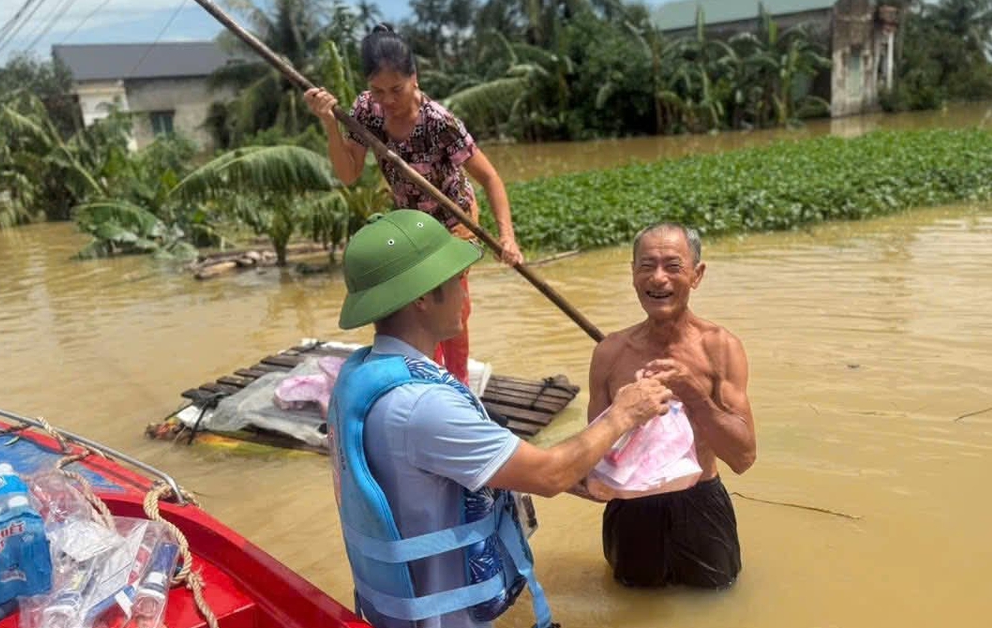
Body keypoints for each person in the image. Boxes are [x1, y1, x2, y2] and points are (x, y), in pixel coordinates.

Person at [326, 210, 672, 628]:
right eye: (456, 281)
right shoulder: (423, 404)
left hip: (396, 610)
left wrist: (563, 471)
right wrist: (624, 413)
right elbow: (548, 476)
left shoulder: (362, 374)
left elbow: (444, 469)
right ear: (421, 296)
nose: (464, 295)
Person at [305, 23, 522, 385]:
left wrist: (507, 237)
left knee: (450, 310)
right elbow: (349, 173)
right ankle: (425, 380)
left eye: (396, 89)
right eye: (378, 90)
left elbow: (491, 179)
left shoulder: (440, 123)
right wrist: (329, 122)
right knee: (414, 309)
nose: (387, 100)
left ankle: (457, 386)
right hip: (411, 226)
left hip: (454, 220)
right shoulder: (366, 111)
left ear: (414, 78)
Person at [586, 222, 757, 590]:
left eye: (673, 266)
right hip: (631, 506)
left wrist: (693, 395)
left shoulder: (720, 347)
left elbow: (743, 458)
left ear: (697, 275)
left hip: (700, 501)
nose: (658, 278)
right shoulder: (610, 353)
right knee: (632, 600)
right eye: (646, 265)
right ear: (632, 274)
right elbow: (594, 458)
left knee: (716, 602)